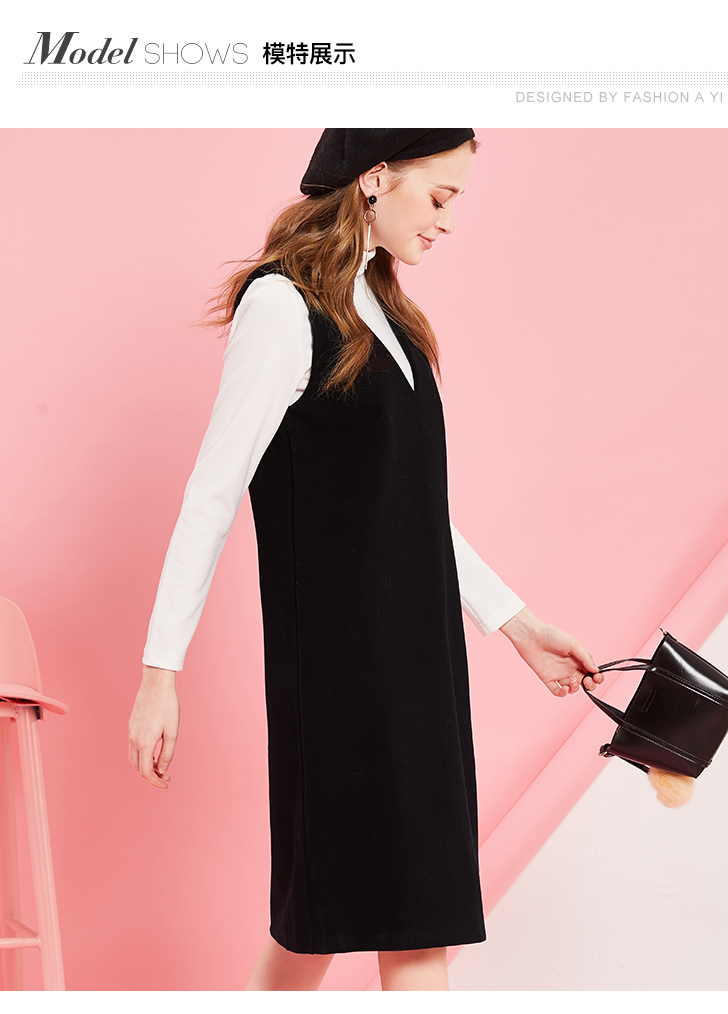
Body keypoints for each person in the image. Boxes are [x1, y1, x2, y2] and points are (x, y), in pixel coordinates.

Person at [128, 128, 603, 992]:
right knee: (407, 922)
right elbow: (212, 492)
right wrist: (161, 672)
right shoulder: (281, 306)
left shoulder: (386, 314)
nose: (448, 222)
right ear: (376, 179)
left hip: (419, 665)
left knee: (327, 922)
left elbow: (408, 512)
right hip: (347, 673)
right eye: (440, 198)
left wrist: (519, 626)